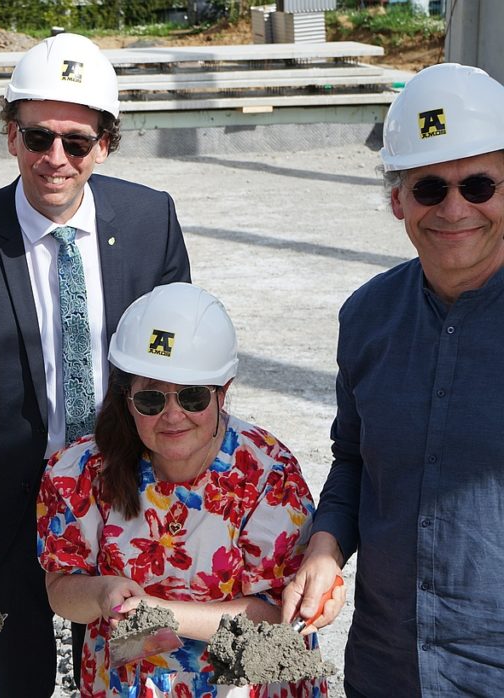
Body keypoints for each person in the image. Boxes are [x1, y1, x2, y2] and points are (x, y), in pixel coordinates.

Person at [0, 32, 192, 695]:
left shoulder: (150, 220)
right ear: (10, 136)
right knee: (22, 675)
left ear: (106, 143)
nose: (56, 159)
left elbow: (180, 363)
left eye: (77, 142)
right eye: (38, 137)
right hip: (14, 501)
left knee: (137, 667)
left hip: (133, 488)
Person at [281, 63, 504, 695]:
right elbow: (354, 462)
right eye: (430, 187)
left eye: (480, 184)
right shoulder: (368, 316)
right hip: (388, 664)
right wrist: (324, 549)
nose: (455, 208)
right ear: (397, 199)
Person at [38, 283, 327, 697]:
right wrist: (101, 595)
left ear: (223, 392)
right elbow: (60, 590)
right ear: (128, 397)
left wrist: (162, 615)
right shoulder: (79, 471)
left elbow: (280, 615)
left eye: (192, 397)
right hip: (127, 684)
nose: (173, 416)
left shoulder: (266, 472)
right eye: (152, 400)